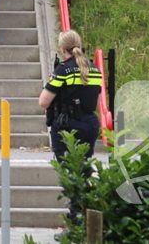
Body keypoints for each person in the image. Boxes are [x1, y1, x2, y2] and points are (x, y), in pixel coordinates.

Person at [39, 29, 102, 161]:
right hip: (90, 123)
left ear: (62, 49)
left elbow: (43, 102)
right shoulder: (95, 69)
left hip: (67, 124)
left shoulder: (63, 70)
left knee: (67, 168)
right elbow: (96, 102)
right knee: (83, 167)